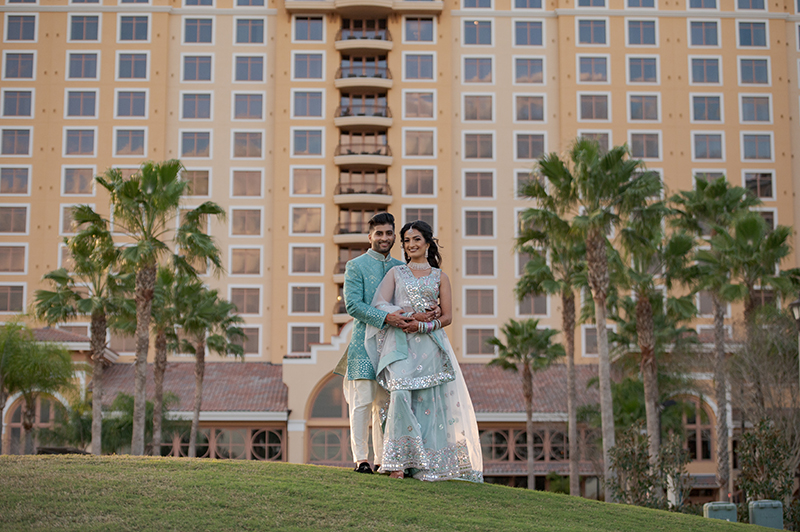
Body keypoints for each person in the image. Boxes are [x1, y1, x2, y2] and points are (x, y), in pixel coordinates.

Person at [365, 220, 483, 482]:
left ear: (428, 243)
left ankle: (422, 463)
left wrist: (424, 325)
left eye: (416, 239)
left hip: (430, 344)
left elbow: (449, 316)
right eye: (406, 241)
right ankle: (397, 461)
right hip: (400, 344)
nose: (410, 245)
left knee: (428, 403)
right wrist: (408, 315)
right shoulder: (396, 273)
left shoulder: (441, 277)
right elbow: (379, 304)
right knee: (400, 393)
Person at [333, 212, 440, 474]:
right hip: (362, 343)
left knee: (385, 403)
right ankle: (362, 460)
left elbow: (412, 300)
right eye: (378, 233)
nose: (384, 238)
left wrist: (427, 311)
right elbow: (353, 306)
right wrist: (386, 317)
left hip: (394, 344)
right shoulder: (356, 266)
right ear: (370, 236)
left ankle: (384, 459)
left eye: (389, 233)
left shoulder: (399, 268)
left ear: (394, 237)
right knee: (362, 400)